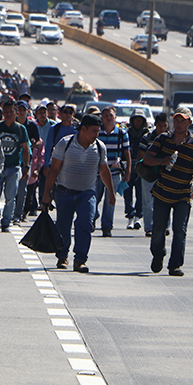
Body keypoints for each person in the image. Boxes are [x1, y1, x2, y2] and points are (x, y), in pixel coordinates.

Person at [42, 114, 116, 273]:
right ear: (83, 129)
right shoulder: (65, 143)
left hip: (87, 193)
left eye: (98, 131)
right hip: (64, 192)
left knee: (85, 223)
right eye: (94, 131)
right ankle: (62, 256)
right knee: (63, 225)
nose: (97, 134)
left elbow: (104, 170)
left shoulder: (100, 147)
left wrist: (111, 192)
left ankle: (80, 260)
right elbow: (54, 170)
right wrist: (46, 194)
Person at [141, 106, 193, 276]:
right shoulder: (163, 139)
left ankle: (175, 265)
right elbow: (147, 159)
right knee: (158, 229)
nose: (178, 124)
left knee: (180, 229)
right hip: (162, 192)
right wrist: (161, 161)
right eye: (176, 120)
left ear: (189, 123)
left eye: (182, 121)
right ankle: (158, 255)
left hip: (183, 194)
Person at [0, 99, 30, 232]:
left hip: (13, 167)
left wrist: (27, 166)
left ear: (16, 112)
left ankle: (6, 222)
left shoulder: (21, 129)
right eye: (5, 112)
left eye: (11, 112)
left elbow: (25, 149)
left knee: (11, 196)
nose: (8, 114)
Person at [96, 106, 130, 237]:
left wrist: (127, 172)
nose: (109, 118)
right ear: (102, 118)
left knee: (110, 201)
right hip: (97, 173)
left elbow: (127, 153)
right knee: (93, 199)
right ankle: (92, 218)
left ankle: (107, 227)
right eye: (106, 116)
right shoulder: (97, 132)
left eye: (111, 115)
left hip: (114, 173)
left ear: (115, 117)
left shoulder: (122, 133)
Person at [138, 112, 169, 237]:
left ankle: (165, 226)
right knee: (148, 202)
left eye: (165, 126)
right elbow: (141, 156)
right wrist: (156, 161)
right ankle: (149, 227)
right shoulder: (147, 138)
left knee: (166, 201)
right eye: (160, 126)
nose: (162, 128)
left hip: (166, 175)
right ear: (155, 125)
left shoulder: (170, 139)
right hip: (149, 174)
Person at [124, 109, 148, 230]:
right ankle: (130, 217)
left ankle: (138, 217)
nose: (138, 122)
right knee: (127, 195)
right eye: (136, 120)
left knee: (140, 194)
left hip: (141, 170)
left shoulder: (147, 135)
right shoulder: (126, 133)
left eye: (140, 120)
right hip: (128, 169)